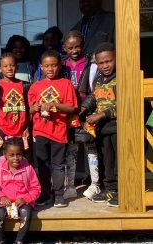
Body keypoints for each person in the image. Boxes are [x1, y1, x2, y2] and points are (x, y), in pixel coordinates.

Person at [28, 50, 78, 208]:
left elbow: (72, 108)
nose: (51, 69)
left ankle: (58, 195)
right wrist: (35, 107)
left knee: (58, 165)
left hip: (59, 131)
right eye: (47, 66)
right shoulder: (35, 86)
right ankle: (45, 193)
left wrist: (54, 105)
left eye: (54, 65)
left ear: (60, 66)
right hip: (40, 131)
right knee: (42, 164)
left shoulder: (66, 84)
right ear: (41, 67)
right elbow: (29, 110)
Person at [61, 30, 100, 200]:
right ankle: (69, 186)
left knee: (91, 148)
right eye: (70, 47)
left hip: (86, 112)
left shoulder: (92, 65)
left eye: (78, 46)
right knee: (71, 149)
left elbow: (96, 91)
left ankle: (95, 184)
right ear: (64, 48)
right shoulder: (61, 66)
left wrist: (82, 109)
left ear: (83, 45)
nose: (74, 50)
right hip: (67, 114)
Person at [81, 42, 117, 207]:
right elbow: (93, 97)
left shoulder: (121, 78)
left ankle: (122, 191)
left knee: (119, 160)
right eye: (101, 63)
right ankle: (109, 189)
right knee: (106, 159)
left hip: (118, 126)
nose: (105, 65)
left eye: (108, 61)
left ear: (116, 59)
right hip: (103, 128)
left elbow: (126, 103)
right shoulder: (98, 79)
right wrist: (82, 109)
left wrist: (102, 114)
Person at [0, 138, 41, 244]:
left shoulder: (28, 168)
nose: (16, 158)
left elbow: (36, 189)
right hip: (5, 201)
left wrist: (25, 199)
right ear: (5, 155)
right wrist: (1, 197)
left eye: (19, 154)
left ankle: (19, 240)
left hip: (23, 201)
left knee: (26, 213)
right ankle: (0, 240)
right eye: (12, 155)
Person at [0, 53, 29, 155]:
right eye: (5, 66)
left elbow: (30, 109)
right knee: (4, 163)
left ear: (17, 67)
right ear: (0, 69)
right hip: (3, 132)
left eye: (12, 65)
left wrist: (28, 128)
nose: (9, 68)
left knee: (24, 164)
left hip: (22, 133)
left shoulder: (25, 86)